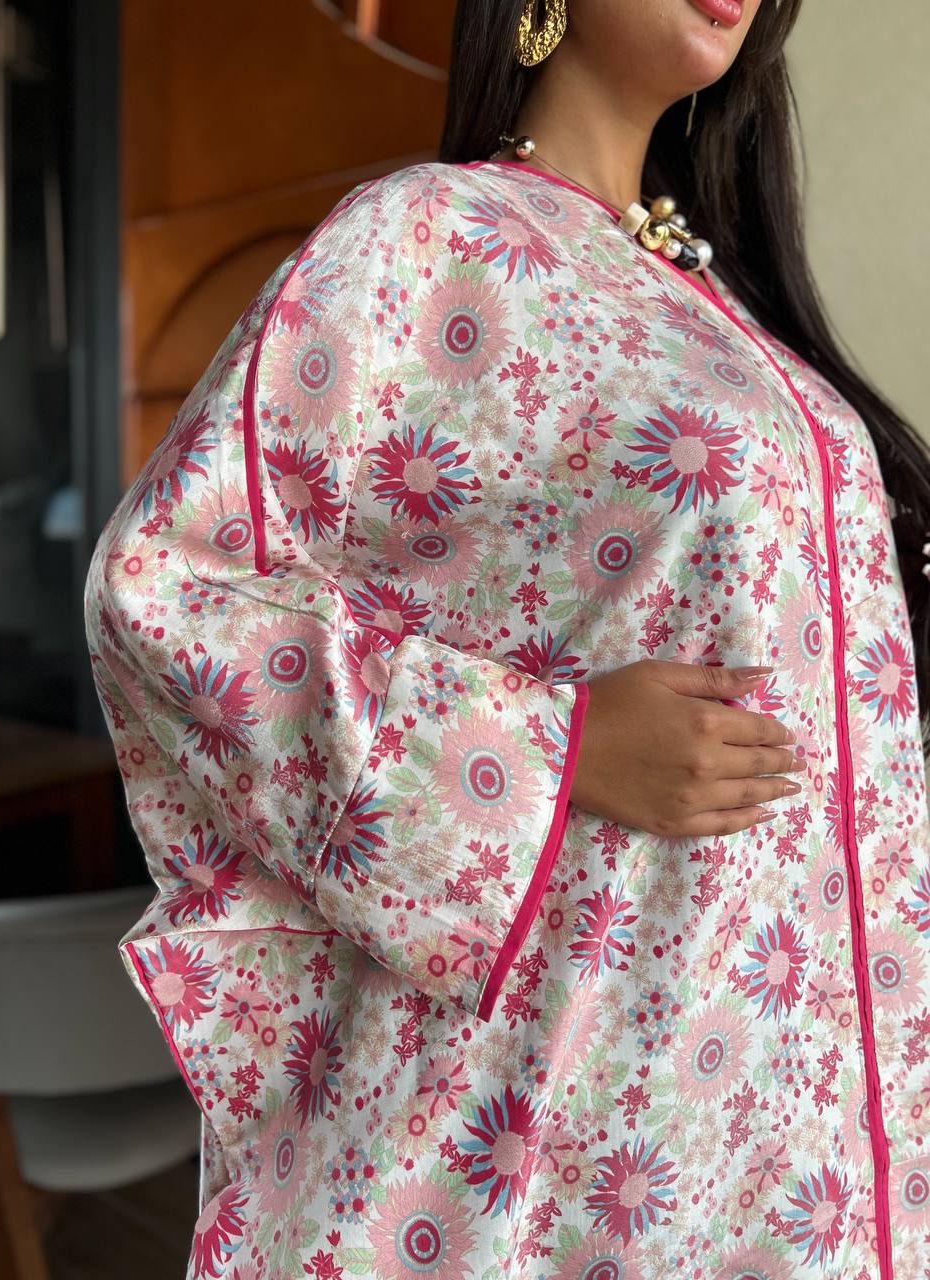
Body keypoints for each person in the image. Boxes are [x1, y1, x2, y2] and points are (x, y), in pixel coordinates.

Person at [85, 0, 930, 1275]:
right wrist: (553, 744)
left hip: (796, 1123)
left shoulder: (726, 302)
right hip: (597, 1121)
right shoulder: (427, 241)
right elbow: (165, 594)